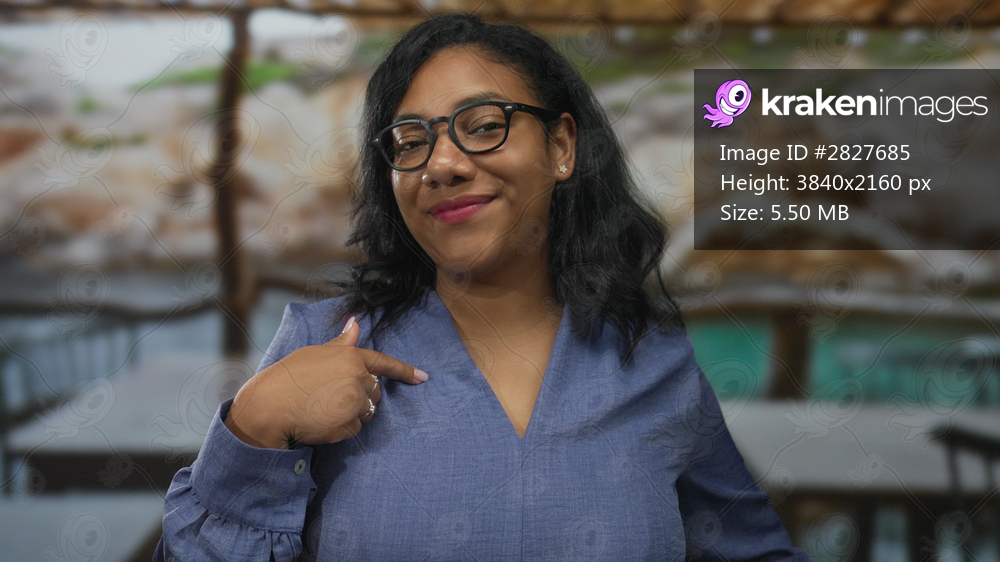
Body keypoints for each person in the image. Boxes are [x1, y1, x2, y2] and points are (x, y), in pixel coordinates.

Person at [154, 12, 812, 562]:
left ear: (561, 147)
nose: (441, 164)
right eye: (410, 141)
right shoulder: (320, 344)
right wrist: (254, 424)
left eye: (484, 125)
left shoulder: (655, 362)